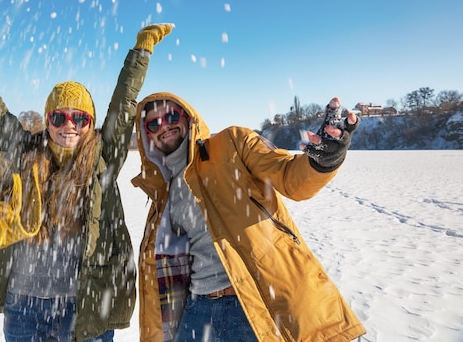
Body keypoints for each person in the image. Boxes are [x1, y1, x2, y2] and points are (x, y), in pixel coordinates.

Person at [0, 22, 174, 342]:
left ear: (91, 122)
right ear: (48, 120)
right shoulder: (25, 152)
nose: (68, 126)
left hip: (83, 305)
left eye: (79, 118)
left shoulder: (102, 158)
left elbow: (123, 105)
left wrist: (142, 50)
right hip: (24, 307)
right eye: (59, 117)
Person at [131, 92, 367, 342]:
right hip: (196, 313)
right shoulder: (162, 191)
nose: (164, 125)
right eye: (153, 124)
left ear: (188, 118)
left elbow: (291, 177)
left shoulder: (232, 143)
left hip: (252, 305)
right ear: (148, 135)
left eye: (171, 115)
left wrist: (324, 160)